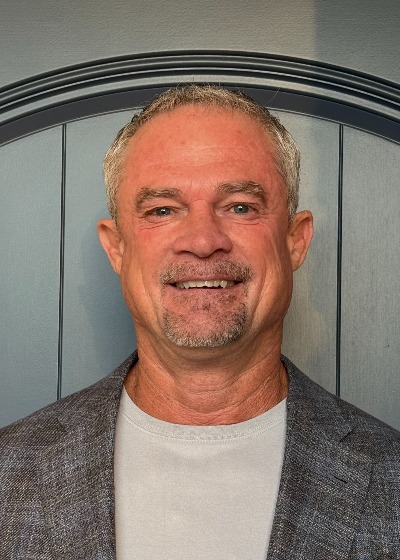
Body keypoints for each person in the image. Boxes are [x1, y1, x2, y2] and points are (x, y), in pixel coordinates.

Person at [1, 85, 399, 560]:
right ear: (116, 248)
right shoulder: (10, 470)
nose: (204, 241)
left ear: (295, 240)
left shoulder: (390, 476)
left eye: (240, 207)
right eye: (163, 210)